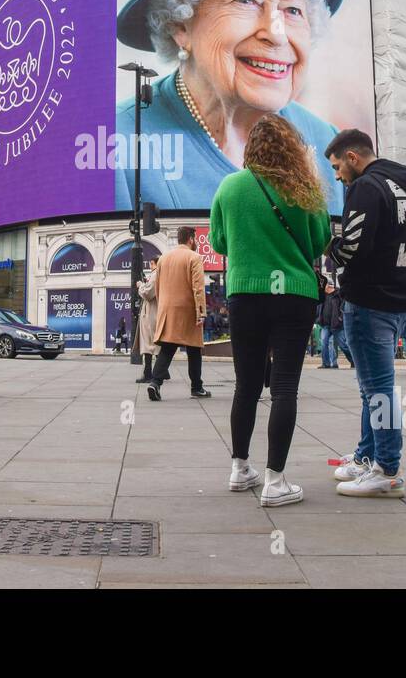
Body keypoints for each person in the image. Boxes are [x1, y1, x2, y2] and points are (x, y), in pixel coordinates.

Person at [114, 0, 349, 212]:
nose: (276, 35)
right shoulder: (121, 147)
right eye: (247, 1)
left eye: (293, 10)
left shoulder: (328, 146)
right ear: (180, 24)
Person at [209, 115, 330, 506]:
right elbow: (319, 242)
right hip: (293, 294)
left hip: (246, 293)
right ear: (292, 148)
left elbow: (220, 241)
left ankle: (240, 468)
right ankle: (276, 481)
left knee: (246, 385)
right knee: (284, 388)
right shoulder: (304, 188)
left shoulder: (230, 186)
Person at [324, 129, 406, 498]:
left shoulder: (366, 187)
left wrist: (328, 248)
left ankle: (388, 468)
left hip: (370, 301)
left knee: (378, 390)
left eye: (337, 167)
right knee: (372, 388)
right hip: (398, 299)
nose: (337, 176)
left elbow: (351, 247)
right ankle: (368, 456)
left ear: (353, 157)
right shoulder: (404, 189)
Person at [145, 226, 211, 400]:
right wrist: (201, 311)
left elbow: (158, 287)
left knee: (167, 348)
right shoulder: (194, 257)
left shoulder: (164, 258)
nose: (195, 242)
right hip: (188, 310)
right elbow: (198, 287)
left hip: (167, 309)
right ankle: (197, 387)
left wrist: (163, 307)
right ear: (190, 239)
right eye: (194, 239)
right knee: (194, 350)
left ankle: (155, 383)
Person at [132, 257, 161, 383]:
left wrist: (140, 286)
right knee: (152, 345)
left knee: (149, 345)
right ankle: (158, 372)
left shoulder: (156, 274)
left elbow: (148, 293)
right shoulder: (157, 275)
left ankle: (151, 373)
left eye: (150, 263)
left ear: (152, 263)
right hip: (151, 313)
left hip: (151, 314)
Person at [317, 283, 345, 369]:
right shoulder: (323, 296)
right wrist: (317, 318)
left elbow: (343, 307)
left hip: (336, 324)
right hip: (325, 324)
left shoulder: (338, 294)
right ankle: (326, 363)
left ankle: (352, 361)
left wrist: (340, 318)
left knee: (343, 345)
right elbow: (318, 307)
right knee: (324, 342)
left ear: (328, 286)